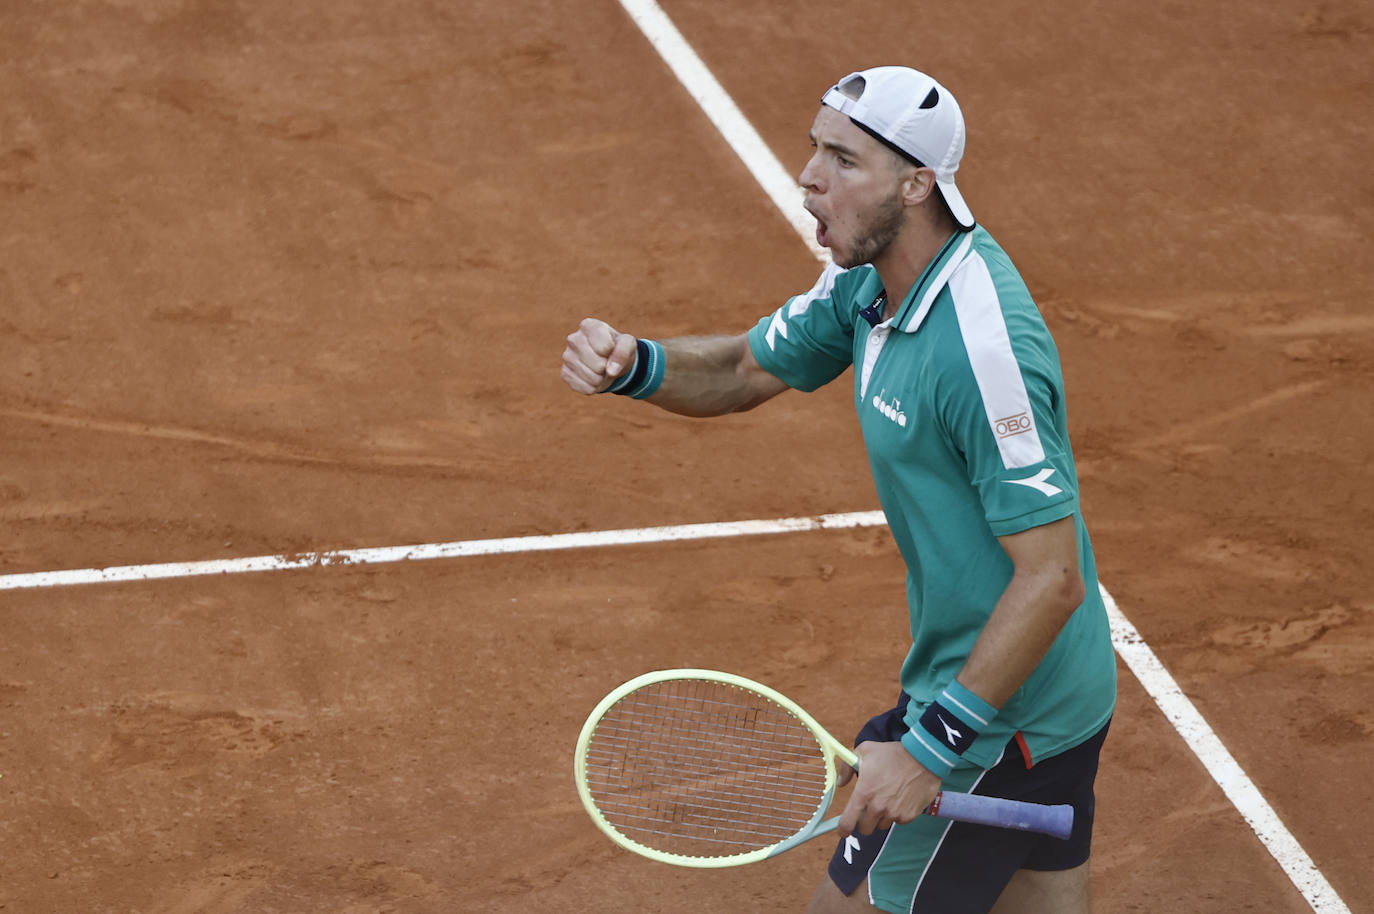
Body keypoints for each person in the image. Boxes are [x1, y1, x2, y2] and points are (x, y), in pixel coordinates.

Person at [560, 65, 1117, 914]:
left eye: (843, 159)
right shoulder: (869, 283)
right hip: (1015, 679)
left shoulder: (982, 354)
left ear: (917, 183)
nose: (810, 177)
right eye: (814, 149)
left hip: (1006, 710)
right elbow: (748, 367)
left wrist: (931, 750)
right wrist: (637, 365)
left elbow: (1051, 577)